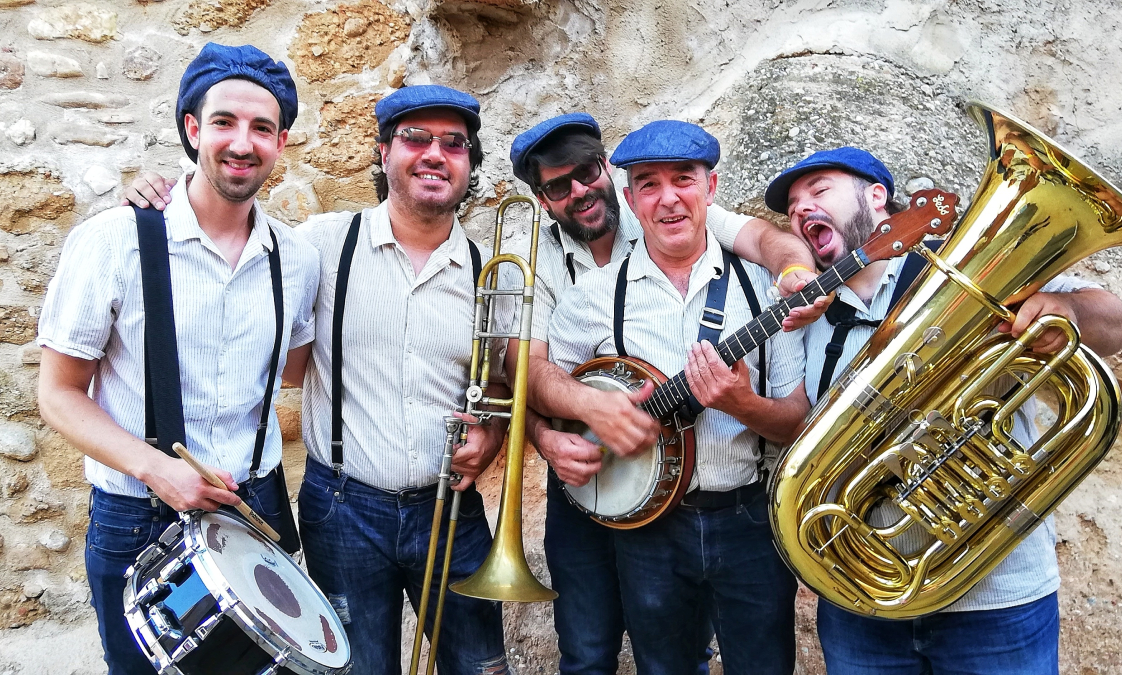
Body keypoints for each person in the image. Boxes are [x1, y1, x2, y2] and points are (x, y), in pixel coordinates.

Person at [122, 85, 512, 675]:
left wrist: (496, 429)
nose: (436, 153)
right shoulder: (321, 245)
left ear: (469, 164)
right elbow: (232, 231)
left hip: (451, 513)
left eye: (454, 144)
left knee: (480, 665)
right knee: (354, 669)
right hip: (343, 510)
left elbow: (504, 383)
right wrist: (161, 192)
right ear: (384, 154)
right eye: (415, 138)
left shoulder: (492, 273)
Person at [764, 147, 1122, 675]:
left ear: (876, 197)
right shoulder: (806, 313)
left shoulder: (973, 269)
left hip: (999, 597)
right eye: (793, 206)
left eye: (818, 191)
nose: (802, 209)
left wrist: (1067, 310)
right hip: (863, 597)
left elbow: (1119, 326)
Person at [37, 43, 319, 675]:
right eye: (224, 122)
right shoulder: (114, 240)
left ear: (280, 143)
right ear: (192, 130)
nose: (242, 143)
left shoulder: (295, 258)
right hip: (138, 516)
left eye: (262, 128)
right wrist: (155, 469)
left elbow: (295, 368)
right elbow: (57, 393)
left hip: (255, 506)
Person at [503, 113, 816, 675]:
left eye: (586, 171)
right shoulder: (562, 275)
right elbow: (531, 371)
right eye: (557, 185)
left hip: (744, 516)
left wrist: (794, 271)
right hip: (632, 512)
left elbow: (769, 240)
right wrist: (559, 428)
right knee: (602, 649)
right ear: (543, 198)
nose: (667, 198)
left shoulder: (749, 280)